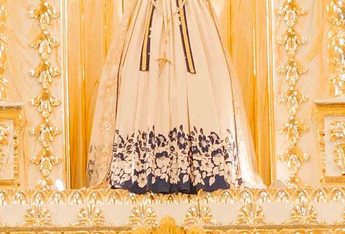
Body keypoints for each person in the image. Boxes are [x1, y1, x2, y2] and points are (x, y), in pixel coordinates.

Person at [85, 0, 261, 193]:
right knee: (142, 79)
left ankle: (198, 169)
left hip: (191, 15)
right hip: (148, 16)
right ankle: (141, 168)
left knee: (202, 79)